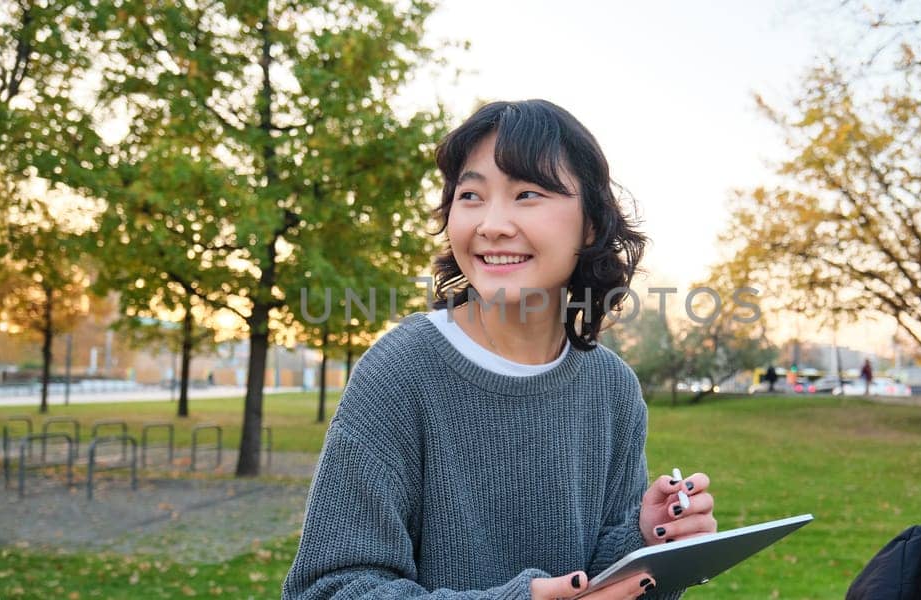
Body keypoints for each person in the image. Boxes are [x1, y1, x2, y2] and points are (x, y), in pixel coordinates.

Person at [283, 100, 718, 599]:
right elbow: (329, 589)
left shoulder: (612, 387)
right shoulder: (400, 373)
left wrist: (648, 541)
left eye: (526, 193)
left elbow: (601, 580)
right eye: (470, 195)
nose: (491, 224)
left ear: (592, 224)